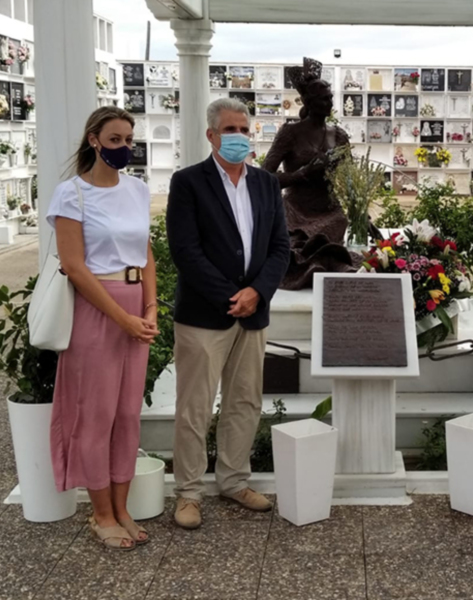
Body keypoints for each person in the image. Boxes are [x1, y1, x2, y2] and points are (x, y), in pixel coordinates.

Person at [166, 98, 291, 529]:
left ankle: (234, 480)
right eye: (229, 129)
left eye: (243, 128)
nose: (238, 136)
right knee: (195, 407)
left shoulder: (266, 184)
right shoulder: (188, 183)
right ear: (211, 135)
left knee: (244, 401)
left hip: (252, 313)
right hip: (204, 315)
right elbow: (185, 250)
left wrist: (257, 292)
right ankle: (188, 493)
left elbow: (280, 247)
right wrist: (230, 296)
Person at [48, 106, 157, 550]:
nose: (124, 148)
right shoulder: (70, 194)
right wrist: (123, 317)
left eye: (129, 140)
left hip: (136, 307)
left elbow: (146, 252)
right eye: (115, 140)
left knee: (128, 414)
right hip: (98, 309)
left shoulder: (136, 189)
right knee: (96, 415)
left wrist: (149, 308)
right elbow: (74, 267)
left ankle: (122, 507)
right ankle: (100, 513)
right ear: (94, 140)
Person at [262, 57, 359, 290]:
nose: (330, 103)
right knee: (296, 248)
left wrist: (360, 212)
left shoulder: (338, 135)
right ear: (310, 102)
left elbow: (350, 180)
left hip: (329, 210)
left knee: (333, 236)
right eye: (324, 99)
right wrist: (303, 173)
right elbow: (264, 178)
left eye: (330, 98)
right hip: (296, 209)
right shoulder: (290, 133)